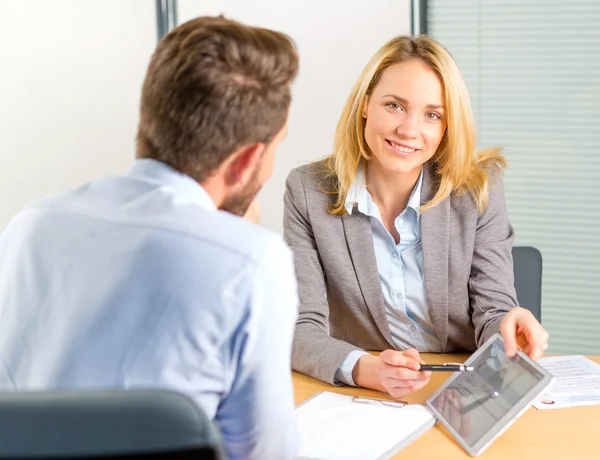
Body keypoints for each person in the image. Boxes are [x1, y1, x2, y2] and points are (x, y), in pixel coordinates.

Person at [0, 16, 299, 460]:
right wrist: (240, 247)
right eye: (276, 147)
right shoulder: (254, 263)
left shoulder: (31, 223)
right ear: (246, 161)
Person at [283, 34, 549, 399]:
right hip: (368, 395)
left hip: (462, 392)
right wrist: (366, 369)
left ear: (446, 126)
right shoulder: (308, 190)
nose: (409, 130)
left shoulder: (477, 188)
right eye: (394, 105)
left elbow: (493, 311)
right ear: (365, 105)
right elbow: (300, 328)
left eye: (432, 115)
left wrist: (507, 324)